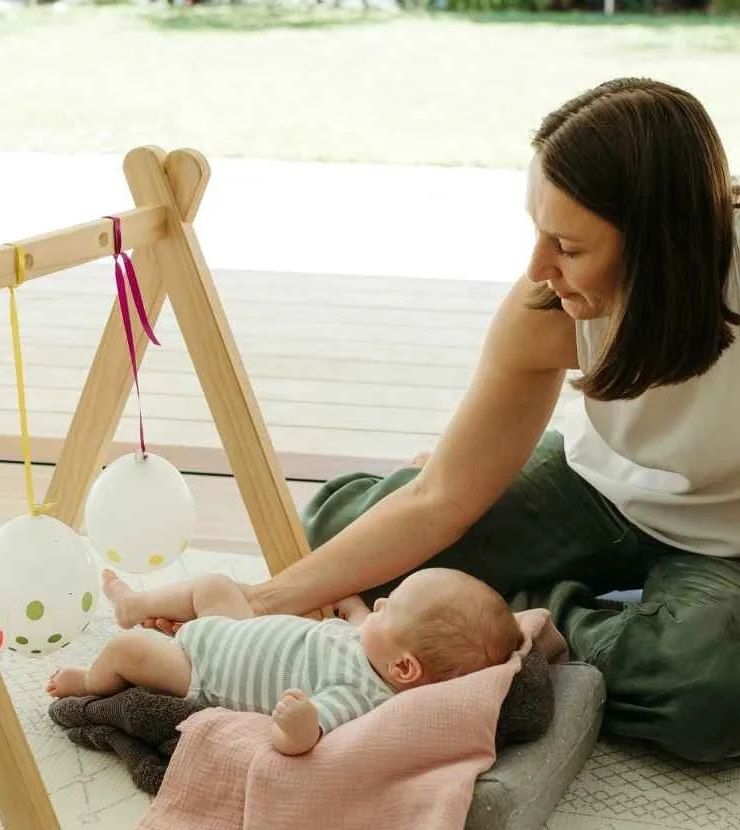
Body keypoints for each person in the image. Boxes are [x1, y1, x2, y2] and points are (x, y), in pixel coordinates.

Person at [138, 77, 740, 764]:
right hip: (594, 482)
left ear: (661, 253)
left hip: (723, 545)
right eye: (537, 230)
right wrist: (260, 598)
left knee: (705, 699)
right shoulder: (544, 307)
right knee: (332, 542)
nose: (538, 268)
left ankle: (530, 614)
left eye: (568, 248)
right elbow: (441, 498)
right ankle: (489, 606)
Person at [47, 568, 521, 754]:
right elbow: (362, 626)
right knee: (214, 586)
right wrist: (356, 611)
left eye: (388, 607)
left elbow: (304, 738)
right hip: (237, 629)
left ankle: (89, 679)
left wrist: (297, 726)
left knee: (128, 651)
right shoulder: (377, 650)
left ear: (404, 670)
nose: (379, 606)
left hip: (201, 671)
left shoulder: (361, 694)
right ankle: (135, 603)